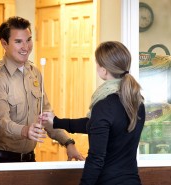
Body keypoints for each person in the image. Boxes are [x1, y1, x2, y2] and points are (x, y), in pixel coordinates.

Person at [40, 41, 145, 185]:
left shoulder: (104, 106)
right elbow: (95, 125)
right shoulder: (137, 102)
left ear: (104, 70)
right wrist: (57, 121)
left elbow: (96, 158)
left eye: (97, 64)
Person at [0, 16, 84, 163]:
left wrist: (68, 142)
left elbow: (46, 116)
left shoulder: (34, 73)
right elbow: (0, 122)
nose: (26, 47)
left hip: (28, 159)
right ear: (4, 43)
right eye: (18, 41)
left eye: (28, 40)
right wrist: (25, 130)